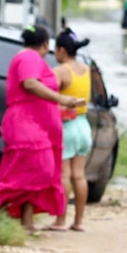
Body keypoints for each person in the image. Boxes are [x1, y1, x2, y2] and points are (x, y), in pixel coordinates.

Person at [0, 25, 83, 232]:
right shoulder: (29, 57)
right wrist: (61, 98)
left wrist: (59, 106)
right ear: (45, 44)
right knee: (38, 169)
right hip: (26, 125)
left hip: (37, 123)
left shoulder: (33, 59)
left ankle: (26, 223)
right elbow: (30, 84)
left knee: (32, 172)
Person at [48, 28, 92, 232]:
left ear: (62, 50)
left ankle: (61, 220)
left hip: (67, 126)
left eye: (55, 50)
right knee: (79, 175)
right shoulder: (86, 69)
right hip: (84, 126)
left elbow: (50, 97)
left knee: (64, 176)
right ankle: (80, 221)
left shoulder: (60, 71)